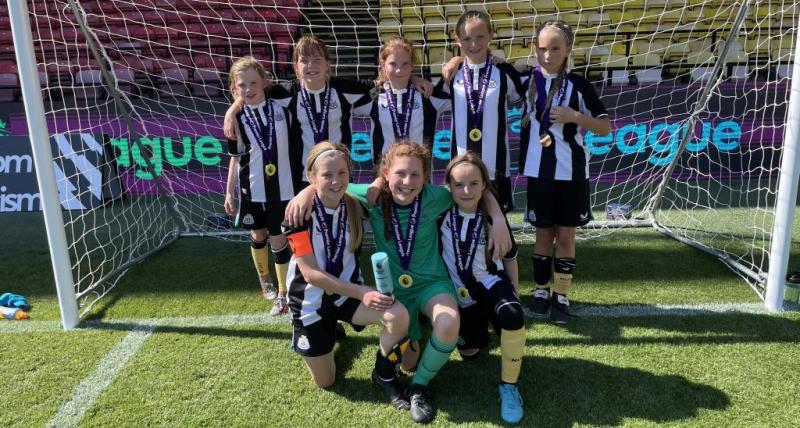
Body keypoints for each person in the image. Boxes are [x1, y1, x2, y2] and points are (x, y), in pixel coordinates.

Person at [286, 140, 512, 424]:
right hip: (387, 291)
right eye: (400, 174)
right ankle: (397, 341)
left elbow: (477, 191)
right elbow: (329, 181)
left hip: (432, 285)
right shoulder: (371, 197)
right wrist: (306, 193)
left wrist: (499, 218)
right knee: (330, 380)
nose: (407, 182)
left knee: (448, 323)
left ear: (426, 177)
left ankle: (418, 388)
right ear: (386, 175)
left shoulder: (436, 197)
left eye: (415, 175)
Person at [282, 142, 411, 410]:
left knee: (398, 316)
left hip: (345, 298)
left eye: (342, 173)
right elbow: (310, 274)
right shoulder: (298, 216)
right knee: (327, 381)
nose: (336, 181)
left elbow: (382, 183)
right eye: (327, 175)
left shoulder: (354, 204)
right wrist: (363, 292)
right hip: (311, 304)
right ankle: (315, 332)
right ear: (311, 177)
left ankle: (383, 373)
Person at [519, 20, 612, 323]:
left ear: (568, 49)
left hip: (572, 173)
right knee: (543, 235)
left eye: (555, 48)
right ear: (535, 49)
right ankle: (541, 291)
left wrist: (575, 116)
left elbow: (605, 126)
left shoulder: (580, 86)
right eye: (542, 48)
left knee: (566, 236)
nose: (548, 54)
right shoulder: (526, 81)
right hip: (539, 173)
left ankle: (561, 295)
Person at [440, 152, 525, 424]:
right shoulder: (438, 213)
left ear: (484, 186)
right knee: (470, 354)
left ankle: (509, 386)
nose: (466, 191)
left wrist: (515, 290)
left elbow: (510, 257)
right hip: (458, 289)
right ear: (448, 186)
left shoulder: (492, 218)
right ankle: (481, 332)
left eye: (474, 184)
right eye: (458, 185)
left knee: (512, 314)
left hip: (491, 281)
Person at [223, 56, 295, 315]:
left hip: (283, 187)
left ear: (264, 81)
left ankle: (283, 294)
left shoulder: (282, 105)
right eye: (242, 85)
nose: (249, 89)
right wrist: (229, 192)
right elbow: (235, 157)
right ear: (235, 87)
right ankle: (265, 282)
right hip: (251, 188)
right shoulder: (237, 118)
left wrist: (232, 107)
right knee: (258, 235)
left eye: (254, 82)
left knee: (279, 238)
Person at [435, 10, 526, 213]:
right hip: (460, 170)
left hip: (496, 168)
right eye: (467, 38)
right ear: (458, 40)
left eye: (479, 37)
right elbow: (428, 99)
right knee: (460, 227)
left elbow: (528, 91)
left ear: (491, 35)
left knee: (496, 228)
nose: (473, 44)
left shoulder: (504, 73)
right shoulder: (451, 74)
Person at [363, 36, 449, 168]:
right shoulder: (373, 95)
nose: (399, 70)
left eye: (405, 64)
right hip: (385, 172)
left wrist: (457, 59)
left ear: (412, 65)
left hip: (420, 172)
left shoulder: (427, 94)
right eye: (393, 64)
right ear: (382, 64)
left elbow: (462, 97)